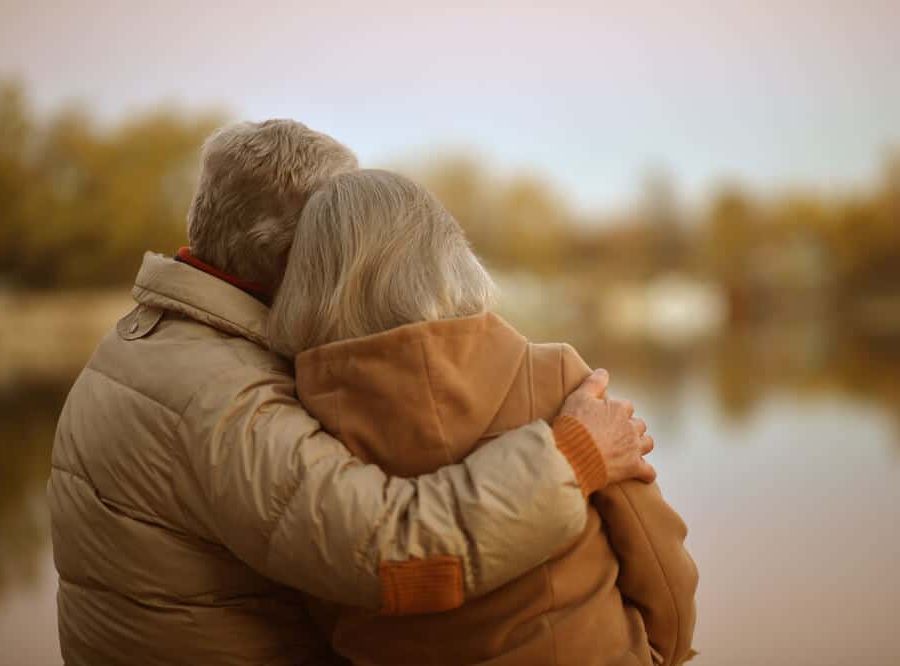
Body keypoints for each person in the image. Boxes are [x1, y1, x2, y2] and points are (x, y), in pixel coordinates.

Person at [47, 120, 657, 665]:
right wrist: (575, 454)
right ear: (296, 251)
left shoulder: (149, 341)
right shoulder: (218, 395)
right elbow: (393, 556)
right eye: (337, 227)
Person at [267, 168, 698, 665]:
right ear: (443, 256)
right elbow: (660, 562)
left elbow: (324, 599)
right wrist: (657, 652)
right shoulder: (556, 377)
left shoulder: (301, 420)